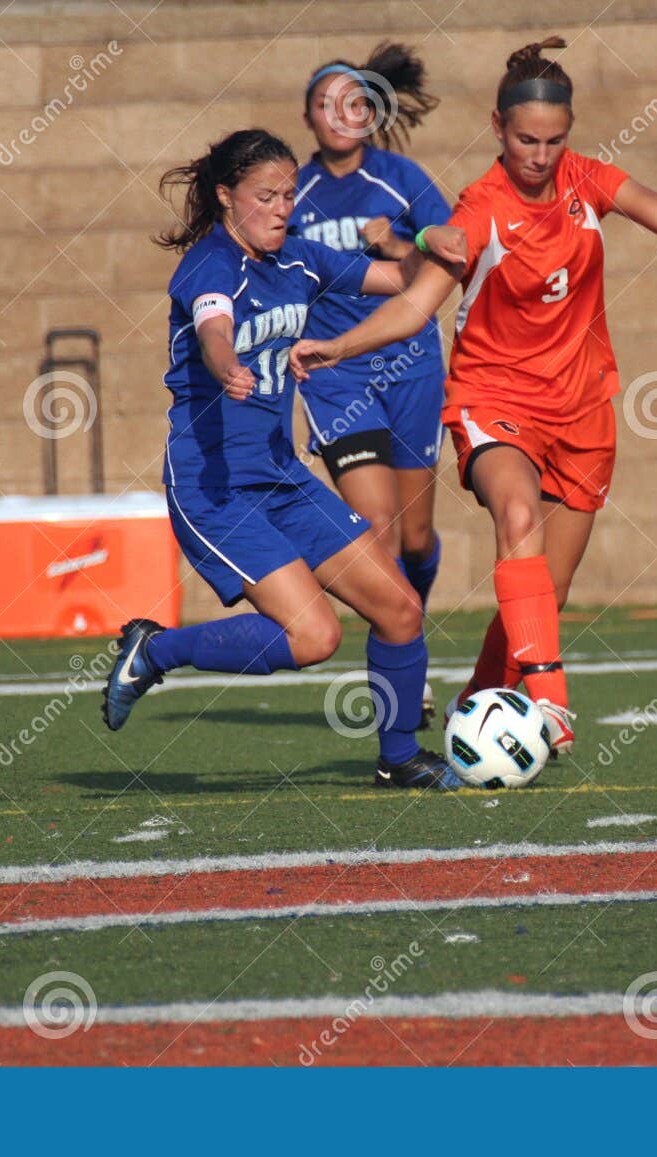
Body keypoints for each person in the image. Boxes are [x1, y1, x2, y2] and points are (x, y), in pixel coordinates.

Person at [290, 37, 657, 754]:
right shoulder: (480, 208)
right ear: (498, 128)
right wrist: (338, 345)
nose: (540, 155)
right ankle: (551, 701)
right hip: (494, 397)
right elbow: (412, 304)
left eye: (555, 140)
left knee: (544, 598)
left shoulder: (588, 180)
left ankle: (478, 703)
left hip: (583, 407)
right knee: (515, 511)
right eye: (526, 139)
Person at [102, 129, 469, 790]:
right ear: (225, 197)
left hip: (281, 476)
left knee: (401, 609)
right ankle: (157, 649)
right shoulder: (210, 266)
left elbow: (408, 293)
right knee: (313, 638)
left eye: (288, 194)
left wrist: (423, 243)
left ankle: (398, 757)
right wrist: (228, 367)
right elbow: (215, 330)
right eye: (264, 196)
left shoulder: (299, 259)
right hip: (214, 486)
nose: (281, 208)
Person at [292, 43, 451, 720]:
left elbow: (452, 255)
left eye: (353, 101)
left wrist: (401, 244)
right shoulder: (292, 193)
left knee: (415, 539)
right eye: (324, 102)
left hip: (409, 363)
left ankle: (410, 623)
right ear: (307, 115)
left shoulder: (400, 180)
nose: (339, 113)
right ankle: (399, 688)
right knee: (377, 526)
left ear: (373, 111)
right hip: (336, 373)